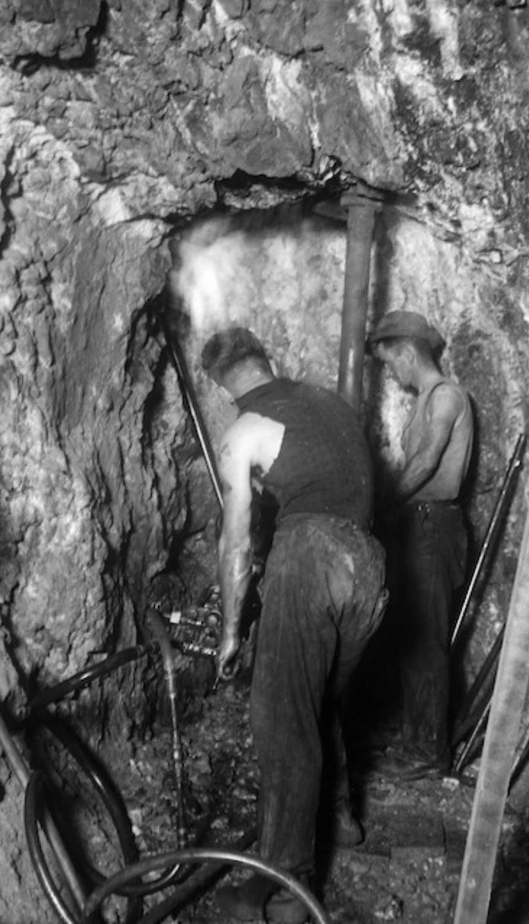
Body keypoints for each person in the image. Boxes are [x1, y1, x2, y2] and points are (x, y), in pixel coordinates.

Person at [200, 327, 387, 923]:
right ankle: (339, 817)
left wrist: (231, 632)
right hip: (370, 565)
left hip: (310, 557)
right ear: (269, 360)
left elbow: (235, 548)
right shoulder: (331, 405)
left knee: (281, 718)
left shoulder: (243, 432)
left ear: (225, 389)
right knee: (319, 696)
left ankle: (285, 894)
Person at [367, 310, 474, 774]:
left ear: (409, 352)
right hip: (420, 526)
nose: (394, 373)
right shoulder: (427, 398)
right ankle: (416, 741)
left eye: (393, 363)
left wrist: (381, 500)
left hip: (435, 527)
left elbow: (428, 461)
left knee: (428, 641)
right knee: (412, 641)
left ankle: (429, 754)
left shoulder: (447, 396)